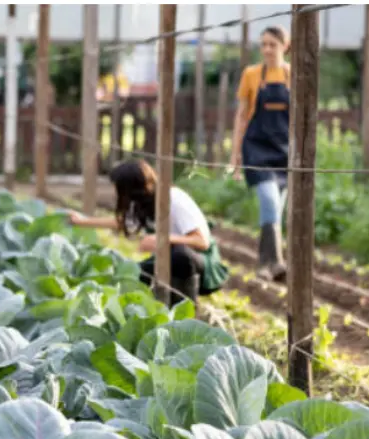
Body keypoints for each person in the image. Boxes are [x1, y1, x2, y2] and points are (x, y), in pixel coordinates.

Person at [68, 159, 228, 305]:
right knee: (132, 274)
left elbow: (201, 241)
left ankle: (186, 309)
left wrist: (162, 239)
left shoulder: (175, 199)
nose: (118, 193)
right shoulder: (144, 202)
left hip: (203, 263)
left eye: (121, 188)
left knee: (181, 255)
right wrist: (83, 221)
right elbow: (123, 223)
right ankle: (162, 308)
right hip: (168, 259)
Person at [230, 25, 290, 282]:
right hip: (256, 149)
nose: (266, 49)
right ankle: (276, 262)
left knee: (275, 211)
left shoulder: (294, 74)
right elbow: (241, 117)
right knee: (270, 201)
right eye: (263, 44)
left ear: (285, 46)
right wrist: (235, 155)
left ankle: (264, 266)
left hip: (285, 152)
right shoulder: (252, 74)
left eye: (272, 44)